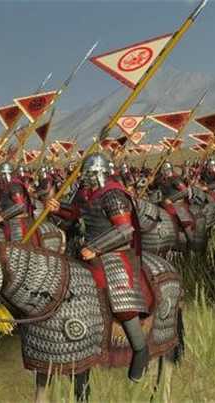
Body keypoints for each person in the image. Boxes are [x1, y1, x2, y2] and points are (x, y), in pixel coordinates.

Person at [46, 153, 150, 381]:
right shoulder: (87, 193)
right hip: (86, 251)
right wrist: (59, 208)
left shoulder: (113, 195)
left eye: (88, 174)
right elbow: (77, 213)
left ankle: (140, 349)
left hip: (113, 254)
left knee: (122, 303)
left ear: (99, 173)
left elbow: (125, 230)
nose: (84, 178)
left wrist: (97, 248)